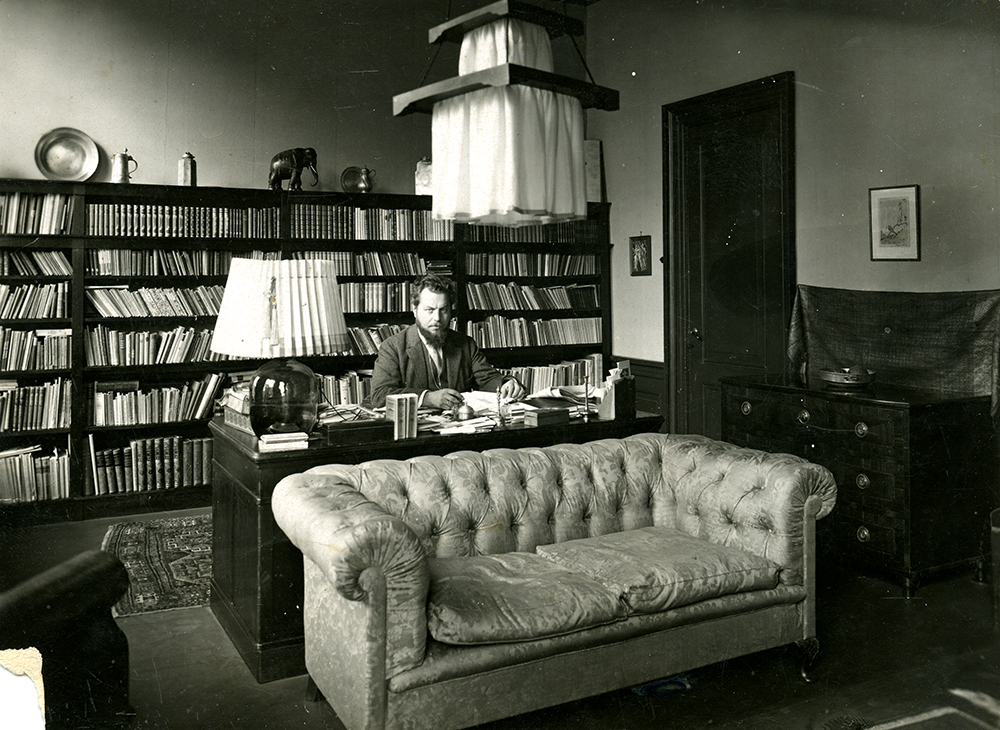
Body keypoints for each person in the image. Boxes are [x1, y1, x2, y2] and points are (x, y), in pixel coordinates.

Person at [368, 274, 526, 409]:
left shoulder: (465, 344)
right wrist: (428, 398)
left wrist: (506, 383)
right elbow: (380, 395)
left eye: (443, 310)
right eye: (429, 310)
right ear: (415, 310)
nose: (437, 318)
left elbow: (487, 378)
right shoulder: (393, 346)